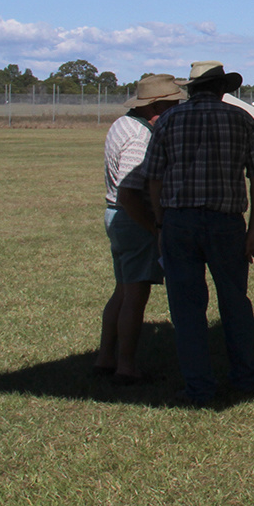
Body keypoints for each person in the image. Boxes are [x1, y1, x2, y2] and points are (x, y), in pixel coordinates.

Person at [141, 61, 254, 405]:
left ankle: (199, 387)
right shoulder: (241, 120)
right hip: (226, 224)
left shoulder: (168, 120)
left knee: (186, 309)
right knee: (235, 303)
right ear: (221, 90)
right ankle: (244, 377)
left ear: (192, 89)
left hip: (179, 223)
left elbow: (153, 177)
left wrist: (160, 222)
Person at [96, 73, 186, 384]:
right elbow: (129, 192)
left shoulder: (122, 124)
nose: (175, 109)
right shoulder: (140, 136)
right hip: (132, 220)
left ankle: (106, 357)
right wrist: (155, 227)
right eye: (172, 104)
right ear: (156, 106)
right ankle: (126, 365)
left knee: (122, 290)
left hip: (117, 218)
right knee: (136, 295)